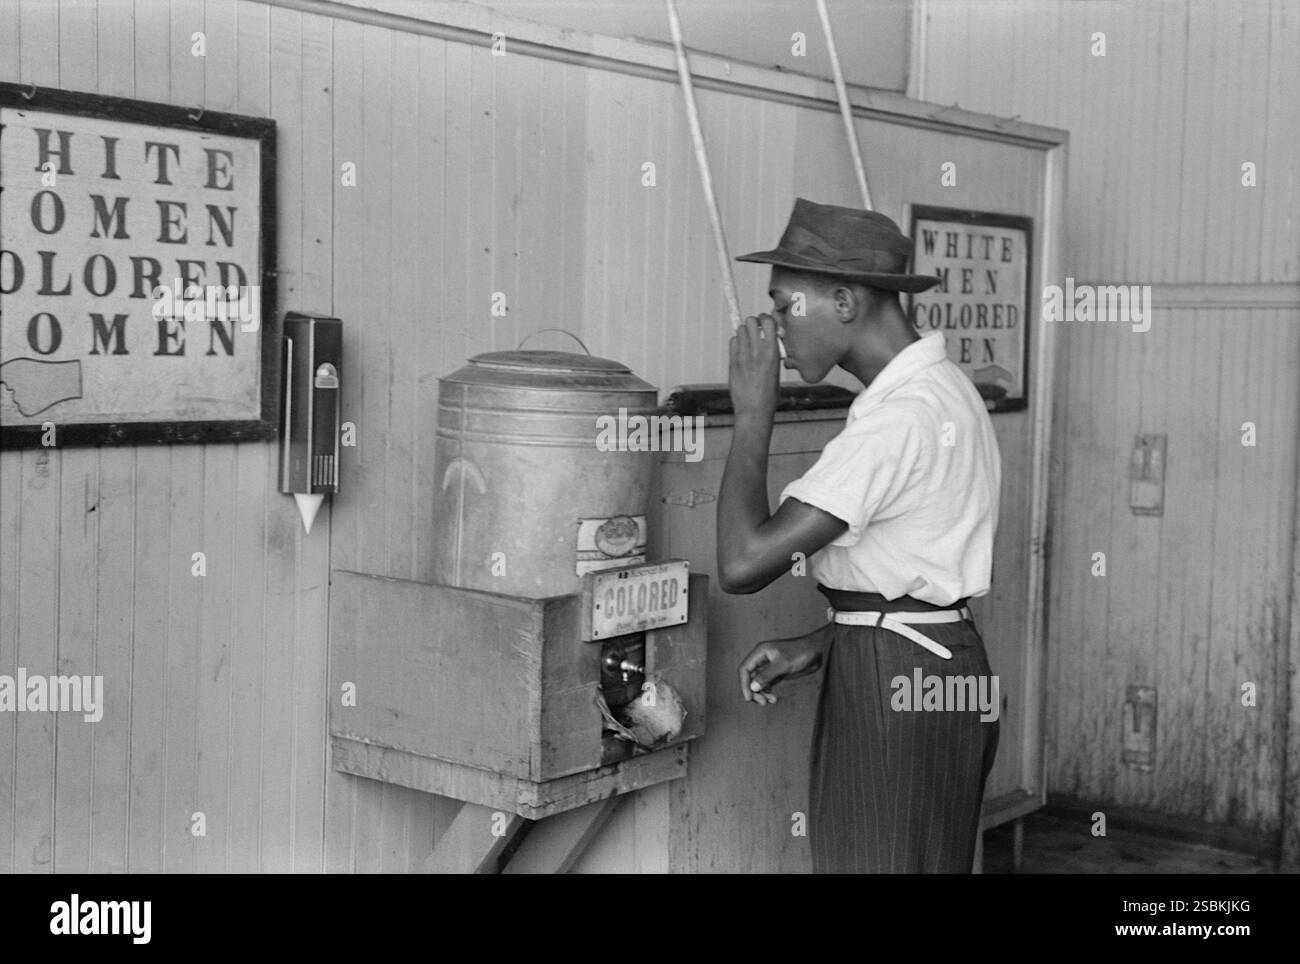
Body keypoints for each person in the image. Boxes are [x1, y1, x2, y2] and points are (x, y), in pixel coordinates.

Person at [717, 197, 1002, 873]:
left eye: (786, 305)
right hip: (943, 662)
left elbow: (742, 561)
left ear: (843, 301)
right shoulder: (944, 391)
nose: (777, 329)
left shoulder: (898, 420)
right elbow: (919, 573)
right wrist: (826, 645)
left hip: (897, 679)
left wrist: (753, 413)